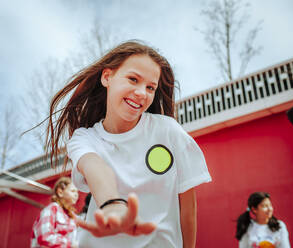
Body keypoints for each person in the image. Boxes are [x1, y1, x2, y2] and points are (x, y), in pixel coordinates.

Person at [46, 40, 212, 248]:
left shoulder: (168, 131)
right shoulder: (85, 138)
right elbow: (95, 167)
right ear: (107, 77)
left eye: (150, 87)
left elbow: (188, 206)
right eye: (133, 79)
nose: (142, 93)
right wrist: (112, 205)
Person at [31, 177, 79, 248]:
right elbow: (44, 236)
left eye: (77, 192)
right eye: (73, 191)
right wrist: (70, 244)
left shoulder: (72, 216)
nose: (76, 194)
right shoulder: (52, 209)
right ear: (60, 192)